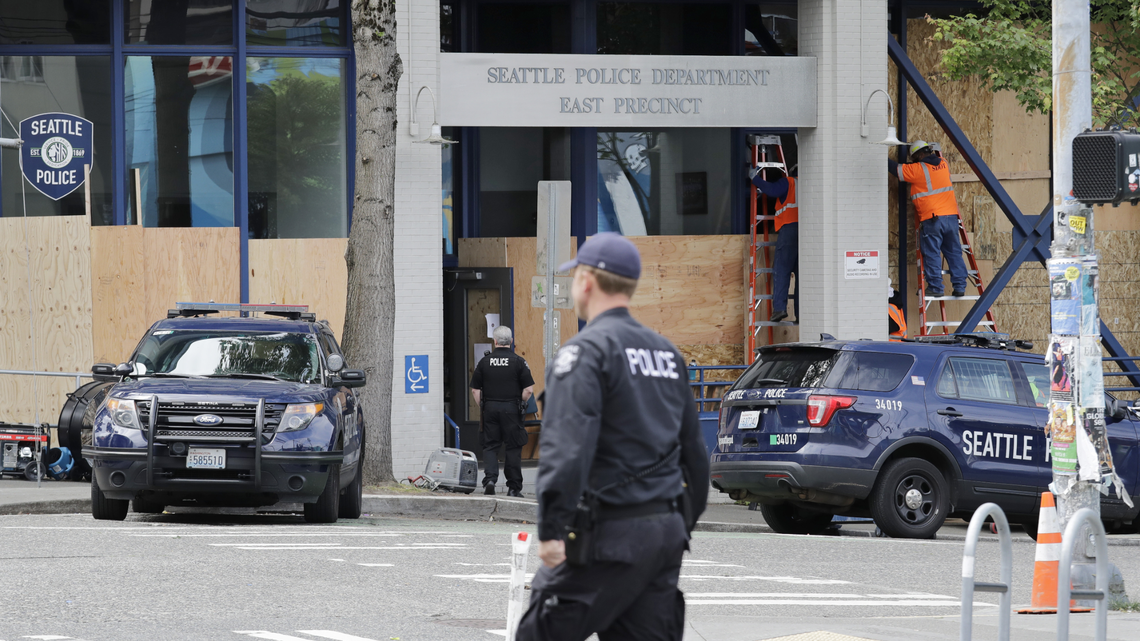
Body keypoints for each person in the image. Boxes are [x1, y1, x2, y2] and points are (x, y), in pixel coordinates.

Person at [517, 232, 709, 641]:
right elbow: (695, 456)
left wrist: (551, 530)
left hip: (609, 534)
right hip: (664, 532)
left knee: (539, 633)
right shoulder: (667, 355)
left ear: (586, 281)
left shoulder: (585, 353)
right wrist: (678, 525)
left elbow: (568, 450)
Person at [889, 141, 968, 299]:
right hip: (951, 218)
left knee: (932, 253)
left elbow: (898, 171)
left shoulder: (919, 169)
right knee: (954, 252)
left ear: (919, 155)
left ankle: (936, 287)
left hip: (932, 219)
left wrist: (880, 157)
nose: (913, 161)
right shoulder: (944, 164)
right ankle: (959, 286)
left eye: (914, 158)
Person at [470, 325, 534, 498]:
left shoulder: (484, 362)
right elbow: (528, 389)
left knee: (490, 446)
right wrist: (521, 403)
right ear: (511, 341)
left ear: (495, 341)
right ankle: (513, 488)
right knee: (513, 448)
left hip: (490, 409)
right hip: (512, 410)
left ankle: (490, 480)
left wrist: (482, 406)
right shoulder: (519, 362)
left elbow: (475, 390)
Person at [749, 163, 798, 322]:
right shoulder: (812, 184)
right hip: (808, 233)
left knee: (781, 270)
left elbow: (771, 190)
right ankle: (801, 313)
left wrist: (754, 178)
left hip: (789, 229)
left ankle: (779, 309)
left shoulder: (789, 182)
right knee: (802, 275)